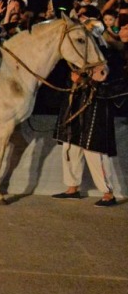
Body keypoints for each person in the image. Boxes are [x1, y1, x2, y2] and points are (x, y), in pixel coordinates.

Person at [52, 62, 124, 207]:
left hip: (95, 116)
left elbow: (116, 90)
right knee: (70, 149)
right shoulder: (77, 63)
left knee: (95, 154)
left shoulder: (113, 63)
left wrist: (96, 82)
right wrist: (74, 80)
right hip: (76, 113)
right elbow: (66, 85)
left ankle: (108, 194)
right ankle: (72, 189)